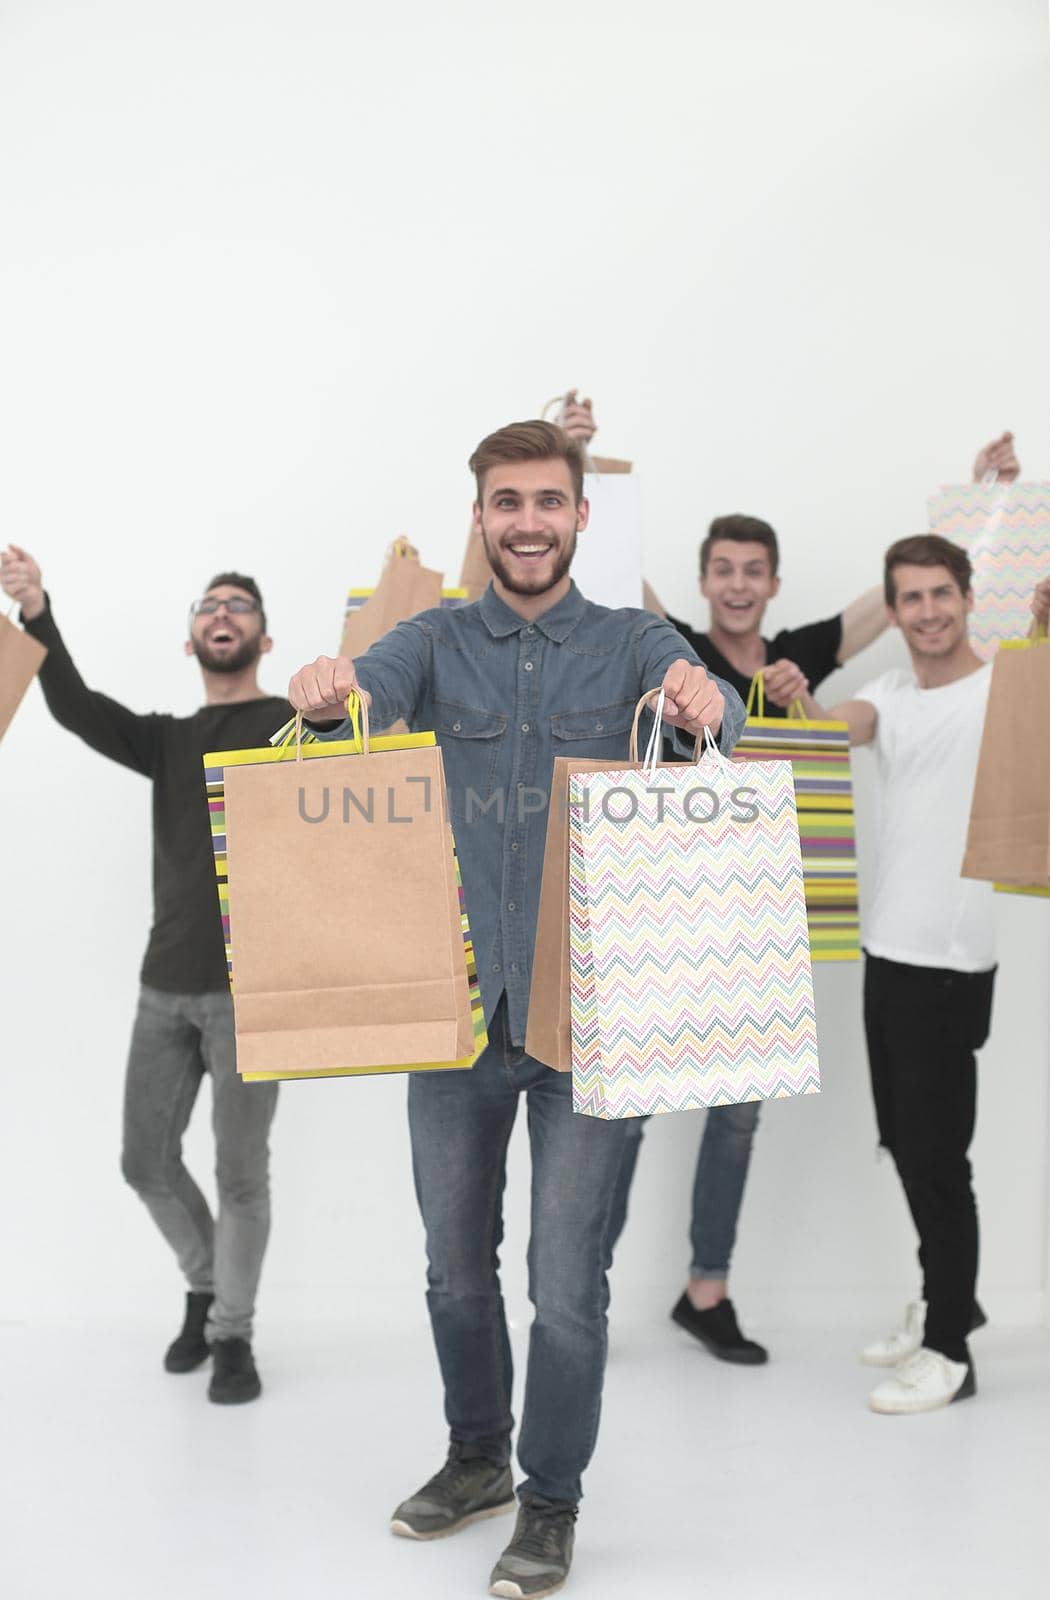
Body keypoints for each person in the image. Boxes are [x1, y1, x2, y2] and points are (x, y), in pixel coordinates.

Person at [287, 420, 746, 1600]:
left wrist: (704, 702)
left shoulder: (634, 639)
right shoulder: (433, 637)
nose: (529, 521)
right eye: (507, 502)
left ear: (581, 516)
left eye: (549, 500)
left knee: (566, 1280)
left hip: (590, 1019)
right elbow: (361, 712)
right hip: (453, 1014)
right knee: (452, 1267)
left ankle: (550, 1501)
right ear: (480, 516)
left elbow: (718, 723)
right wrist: (331, 695)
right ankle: (477, 1456)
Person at [603, 427, 1022, 1368]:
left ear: (776, 583)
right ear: (705, 580)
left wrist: (976, 500)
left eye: (756, 569)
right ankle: (585, 1292)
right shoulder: (670, 646)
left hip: (760, 915)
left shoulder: (799, 659)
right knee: (627, 1108)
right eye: (724, 569)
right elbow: (620, 575)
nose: (740, 584)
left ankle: (705, 1291)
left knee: (740, 1113)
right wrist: (584, 467)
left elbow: (906, 598)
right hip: (663, 906)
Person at [0, 545, 288, 1404]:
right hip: (164, 986)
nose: (222, 613)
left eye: (238, 604)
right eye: (209, 605)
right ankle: (206, 1286)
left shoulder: (291, 727)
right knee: (145, 1161)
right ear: (192, 638)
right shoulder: (167, 739)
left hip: (255, 994)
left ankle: (233, 1335)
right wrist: (37, 611)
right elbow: (78, 710)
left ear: (264, 639)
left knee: (241, 1174)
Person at [804, 533, 1039, 1414]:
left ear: (970, 596)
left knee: (941, 1162)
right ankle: (950, 1298)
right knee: (905, 1145)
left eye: (943, 592)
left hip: (949, 964)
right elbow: (835, 733)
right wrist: (801, 699)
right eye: (911, 598)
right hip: (886, 954)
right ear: (893, 610)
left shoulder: (1003, 689)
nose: (930, 611)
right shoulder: (888, 695)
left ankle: (950, 1352)